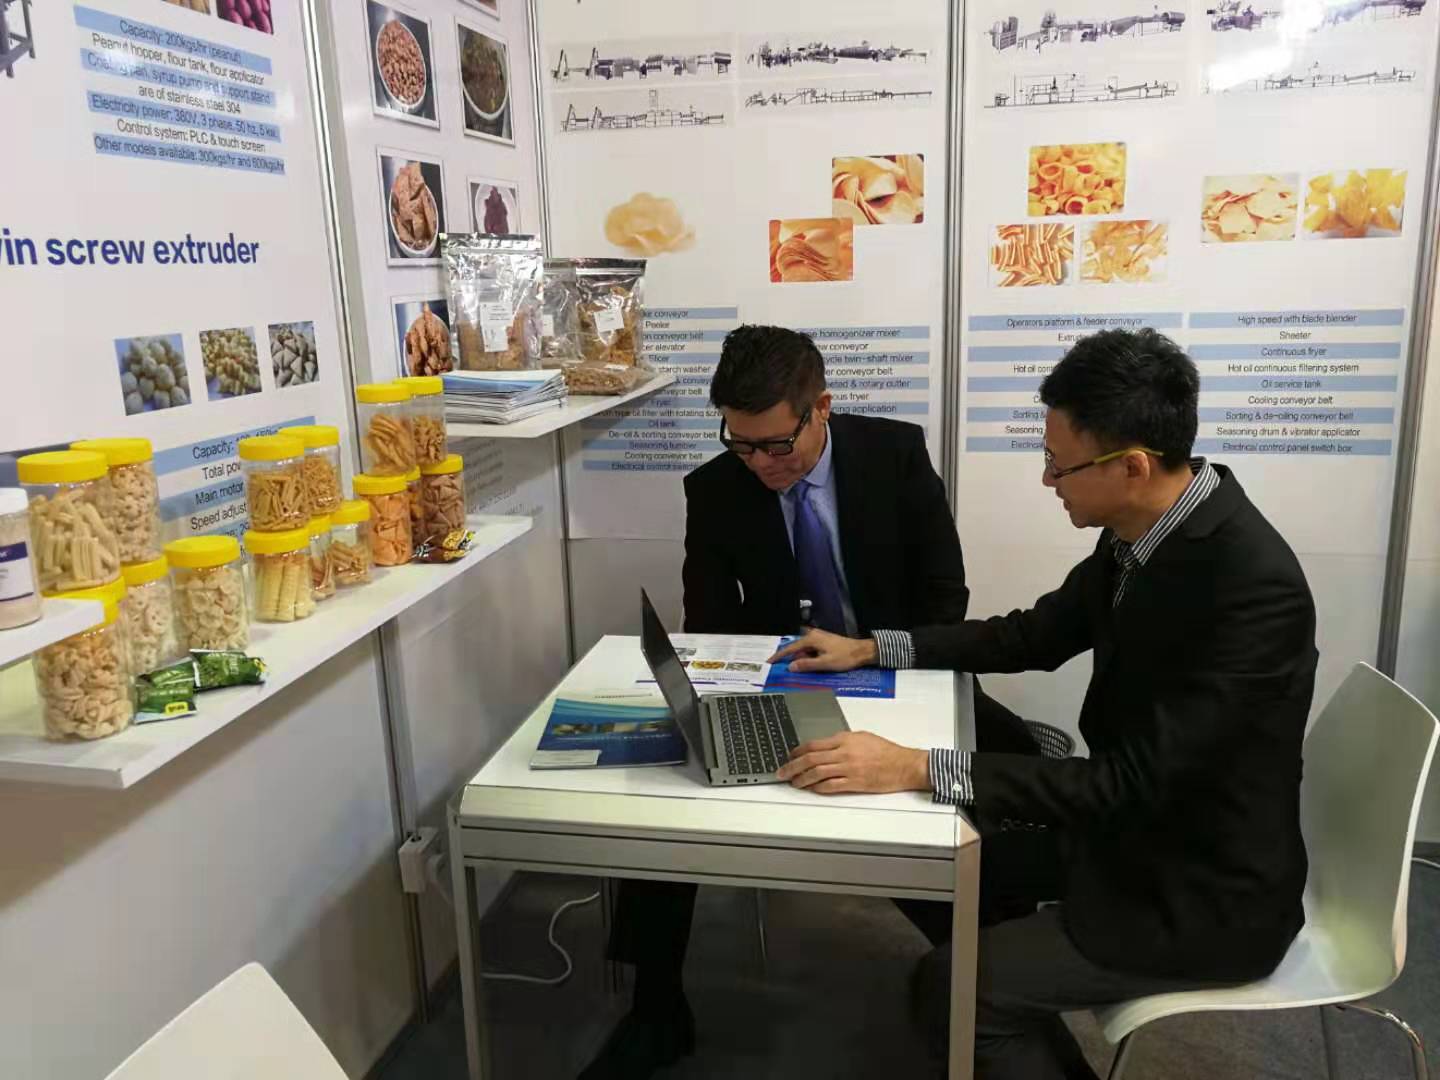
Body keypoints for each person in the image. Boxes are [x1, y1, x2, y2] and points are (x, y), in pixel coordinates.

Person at [770, 327, 1318, 1079]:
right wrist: (872, 649)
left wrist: (916, 767)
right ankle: (1003, 1000)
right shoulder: (1145, 531)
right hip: (1135, 838)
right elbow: (1029, 636)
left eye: (1060, 465)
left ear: (1132, 466)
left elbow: (1125, 784)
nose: (1046, 479)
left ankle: (989, 1006)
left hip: (1201, 892)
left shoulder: (1249, 588)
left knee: (952, 988)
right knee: (938, 871)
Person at [580, 324, 1038, 1079]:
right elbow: (708, 623)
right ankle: (657, 1008)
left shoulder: (893, 455)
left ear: (820, 407)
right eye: (741, 444)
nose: (761, 463)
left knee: (968, 800)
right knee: (672, 789)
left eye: (776, 445)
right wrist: (750, 681)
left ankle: (986, 982)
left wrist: (871, 655)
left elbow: (945, 597)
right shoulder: (714, 487)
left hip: (903, 674)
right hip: (784, 682)